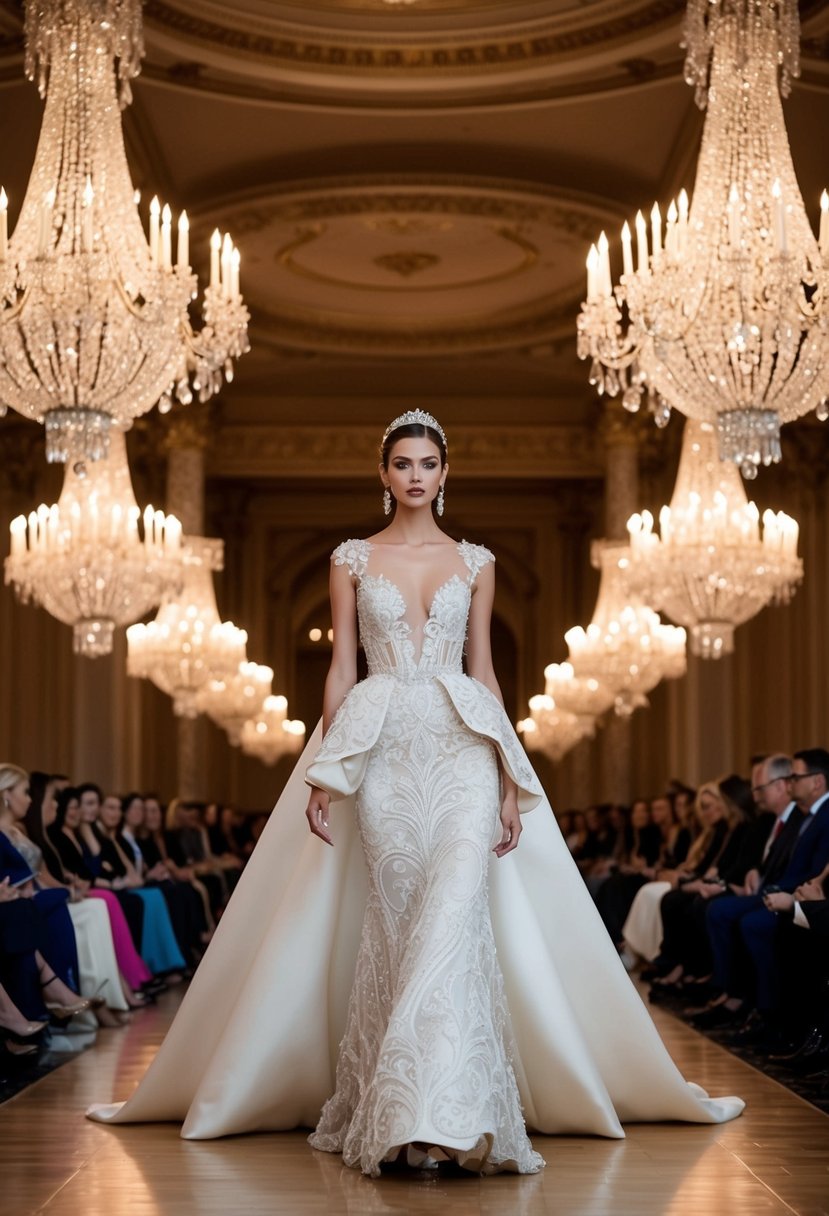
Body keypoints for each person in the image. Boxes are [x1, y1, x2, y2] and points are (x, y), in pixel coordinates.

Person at [87, 410, 743, 1172]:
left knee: (455, 911)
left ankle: (442, 1112)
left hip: (462, 744)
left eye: (427, 463)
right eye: (401, 463)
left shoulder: (476, 561)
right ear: (383, 475)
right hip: (385, 747)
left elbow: (486, 673)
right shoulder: (351, 559)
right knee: (401, 920)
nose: (414, 476)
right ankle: (399, 1100)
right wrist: (328, 771)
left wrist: (505, 775)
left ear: (443, 473)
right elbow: (341, 669)